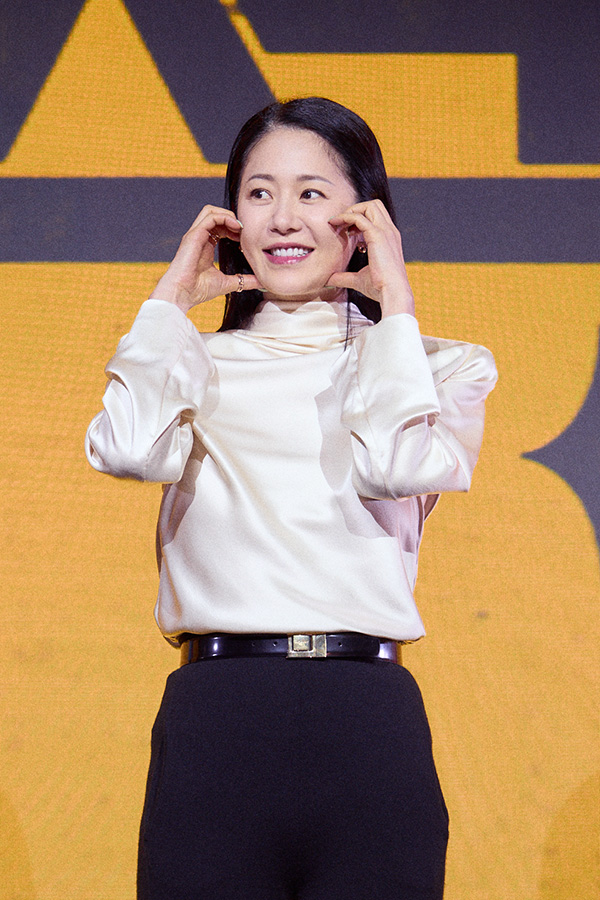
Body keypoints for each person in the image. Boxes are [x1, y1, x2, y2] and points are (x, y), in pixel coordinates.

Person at [85, 97, 497, 900]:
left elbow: (394, 466)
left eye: (311, 193)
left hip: (366, 724)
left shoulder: (442, 368)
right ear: (230, 220)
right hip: (219, 718)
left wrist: (395, 308)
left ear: (364, 219)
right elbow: (127, 449)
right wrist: (170, 301)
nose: (282, 218)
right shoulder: (191, 363)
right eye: (259, 193)